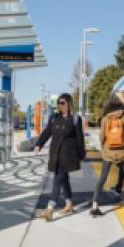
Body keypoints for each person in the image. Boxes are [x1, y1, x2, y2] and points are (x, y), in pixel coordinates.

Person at [34, 93, 85, 221]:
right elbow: (47, 132)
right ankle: (69, 203)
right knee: (63, 179)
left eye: (63, 103)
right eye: (59, 103)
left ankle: (50, 209)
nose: (60, 105)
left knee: (57, 179)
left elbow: (80, 138)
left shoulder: (75, 119)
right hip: (55, 154)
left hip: (68, 155)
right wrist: (39, 144)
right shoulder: (54, 118)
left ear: (69, 104)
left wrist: (81, 154)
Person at [89, 93, 124, 217]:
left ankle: (95, 205)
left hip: (108, 152)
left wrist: (104, 149)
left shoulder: (105, 117)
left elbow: (101, 136)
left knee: (102, 178)